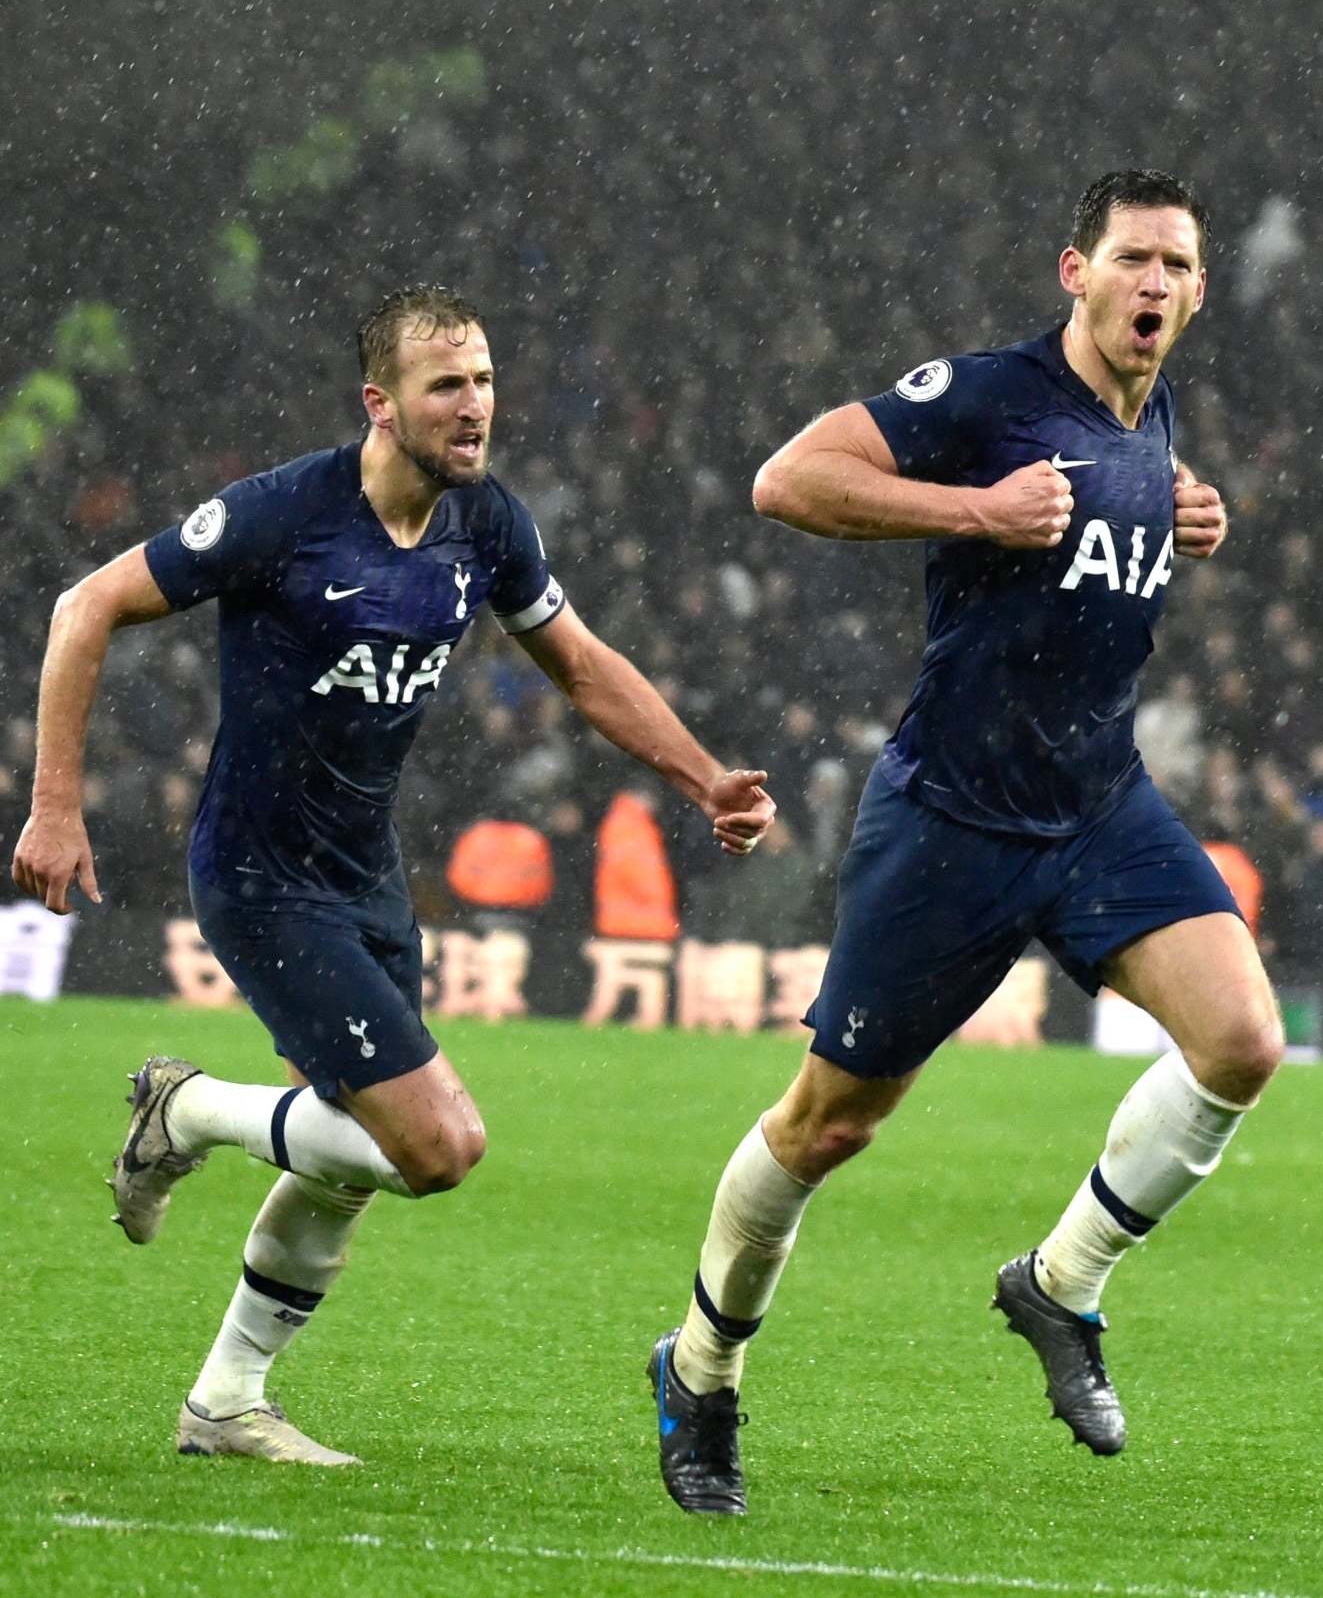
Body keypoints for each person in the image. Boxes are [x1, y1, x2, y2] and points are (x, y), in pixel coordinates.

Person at [11, 286, 774, 1465]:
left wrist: (701, 777)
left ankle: (224, 1405)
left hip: (367, 873)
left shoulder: (487, 525)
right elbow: (85, 605)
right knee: (436, 1148)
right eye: (447, 387)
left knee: (342, 1158)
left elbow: (577, 661)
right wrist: (56, 804)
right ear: (381, 403)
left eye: (483, 382)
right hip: (263, 878)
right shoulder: (286, 516)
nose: (476, 409)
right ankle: (188, 1109)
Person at [647, 169, 1283, 1516]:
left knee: (1242, 1043)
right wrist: (975, 512)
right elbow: (789, 480)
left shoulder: (1150, 411)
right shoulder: (989, 397)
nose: (1153, 285)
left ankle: (1060, 1287)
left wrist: (1181, 506)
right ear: (1076, 270)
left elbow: (1107, 504)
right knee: (827, 1127)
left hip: (1102, 808)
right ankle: (701, 1371)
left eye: (1176, 265)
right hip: (953, 820)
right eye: (1131, 260)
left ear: (1200, 288)